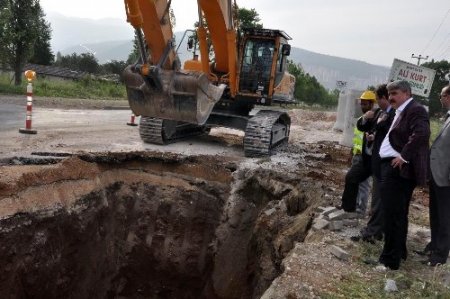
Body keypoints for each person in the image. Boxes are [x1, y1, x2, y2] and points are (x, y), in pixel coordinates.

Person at [378, 80, 430, 270]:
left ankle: (390, 260)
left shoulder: (416, 110)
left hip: (398, 170)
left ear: (407, 93)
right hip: (393, 168)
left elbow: (422, 134)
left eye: (395, 93)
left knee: (392, 215)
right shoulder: (403, 110)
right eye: (389, 94)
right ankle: (399, 252)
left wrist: (403, 157)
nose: (390, 97)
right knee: (398, 214)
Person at [353, 84, 395, 242]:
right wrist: (372, 133)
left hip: (384, 163)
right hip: (374, 160)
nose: (378, 102)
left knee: (378, 198)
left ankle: (373, 230)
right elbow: (364, 126)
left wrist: (376, 135)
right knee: (377, 197)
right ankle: (376, 229)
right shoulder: (380, 113)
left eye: (379, 99)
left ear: (384, 98)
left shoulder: (393, 115)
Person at [340, 90, 381, 212]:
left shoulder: (374, 118)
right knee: (353, 180)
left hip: (368, 158)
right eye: (361, 103)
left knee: (363, 185)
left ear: (372, 104)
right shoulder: (363, 118)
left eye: (364, 104)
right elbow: (358, 137)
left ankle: (361, 208)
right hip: (358, 155)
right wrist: (352, 152)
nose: (362, 106)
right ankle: (350, 206)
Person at [423, 84, 450, 266]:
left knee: (445, 216)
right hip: (437, 174)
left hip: (446, 177)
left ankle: (440, 254)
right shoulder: (447, 117)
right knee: (435, 213)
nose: (440, 99)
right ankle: (434, 245)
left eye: (442, 96)